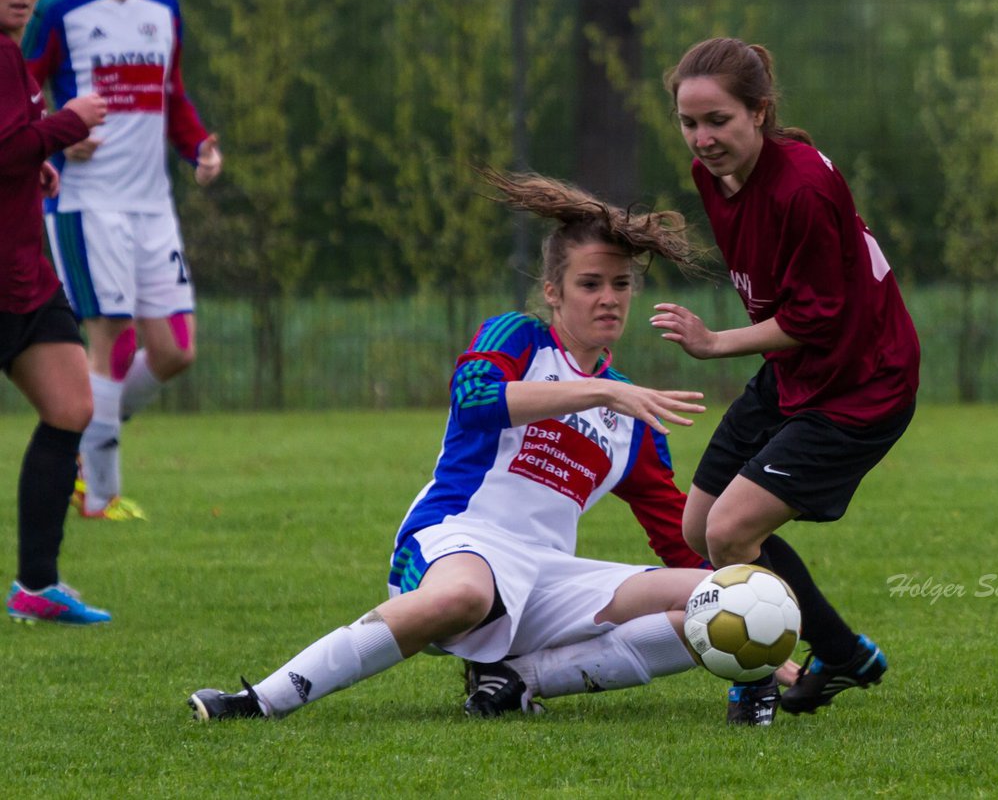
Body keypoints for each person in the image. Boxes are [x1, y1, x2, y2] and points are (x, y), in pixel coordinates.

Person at [189, 171, 715, 722]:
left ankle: (518, 678)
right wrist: (600, 389)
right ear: (553, 292)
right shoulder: (517, 336)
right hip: (457, 543)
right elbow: (474, 399)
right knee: (462, 597)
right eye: (590, 284)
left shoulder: (634, 417)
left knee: (713, 597)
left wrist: (749, 624)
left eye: (622, 283)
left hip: (545, 577)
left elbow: (676, 538)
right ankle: (262, 700)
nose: (609, 298)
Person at [651, 37, 921, 724]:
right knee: (700, 525)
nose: (704, 138)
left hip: (863, 383)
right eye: (690, 122)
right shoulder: (712, 176)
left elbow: (814, 321)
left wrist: (713, 344)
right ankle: (841, 653)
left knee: (732, 532)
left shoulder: (802, 186)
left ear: (760, 114)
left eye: (719, 121)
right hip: (797, 373)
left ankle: (757, 677)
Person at [23, 0, 222, 521]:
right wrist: (55, 133)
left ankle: (87, 436)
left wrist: (199, 149)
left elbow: (172, 94)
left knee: (175, 349)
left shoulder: (163, 5)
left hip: (153, 206)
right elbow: (19, 89)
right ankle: (99, 497)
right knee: (108, 335)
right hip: (89, 204)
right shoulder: (59, 10)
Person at [1, 0, 111, 624]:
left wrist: (36, 162)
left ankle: (36, 586)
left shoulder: (13, 56)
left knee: (71, 403)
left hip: (24, 276)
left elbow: (13, 149)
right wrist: (69, 122)